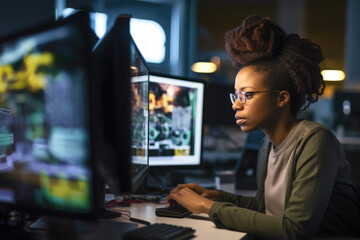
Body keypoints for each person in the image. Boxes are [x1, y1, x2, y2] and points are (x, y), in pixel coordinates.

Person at [167, 15, 360, 239]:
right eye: (236, 95)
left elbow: (294, 229)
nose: (236, 104)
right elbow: (264, 208)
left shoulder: (315, 140)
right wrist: (214, 196)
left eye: (247, 95)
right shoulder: (267, 145)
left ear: (281, 98)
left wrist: (205, 206)